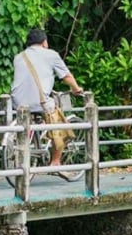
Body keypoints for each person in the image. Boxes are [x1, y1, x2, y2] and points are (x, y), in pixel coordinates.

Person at [11, 29, 81, 165]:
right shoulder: (51, 55)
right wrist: (76, 89)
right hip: (40, 102)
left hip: (17, 103)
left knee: (34, 115)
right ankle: (55, 161)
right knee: (58, 123)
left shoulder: (19, 57)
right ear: (44, 42)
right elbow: (66, 76)